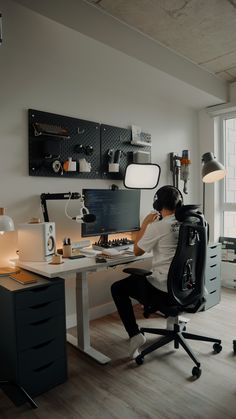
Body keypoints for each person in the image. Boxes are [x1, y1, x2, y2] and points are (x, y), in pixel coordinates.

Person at [111, 185, 183, 359]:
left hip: (164, 291)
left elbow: (137, 251)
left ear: (157, 204)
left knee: (117, 288)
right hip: (185, 287)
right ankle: (173, 319)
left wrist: (144, 225)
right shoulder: (189, 223)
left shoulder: (157, 227)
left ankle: (135, 335)